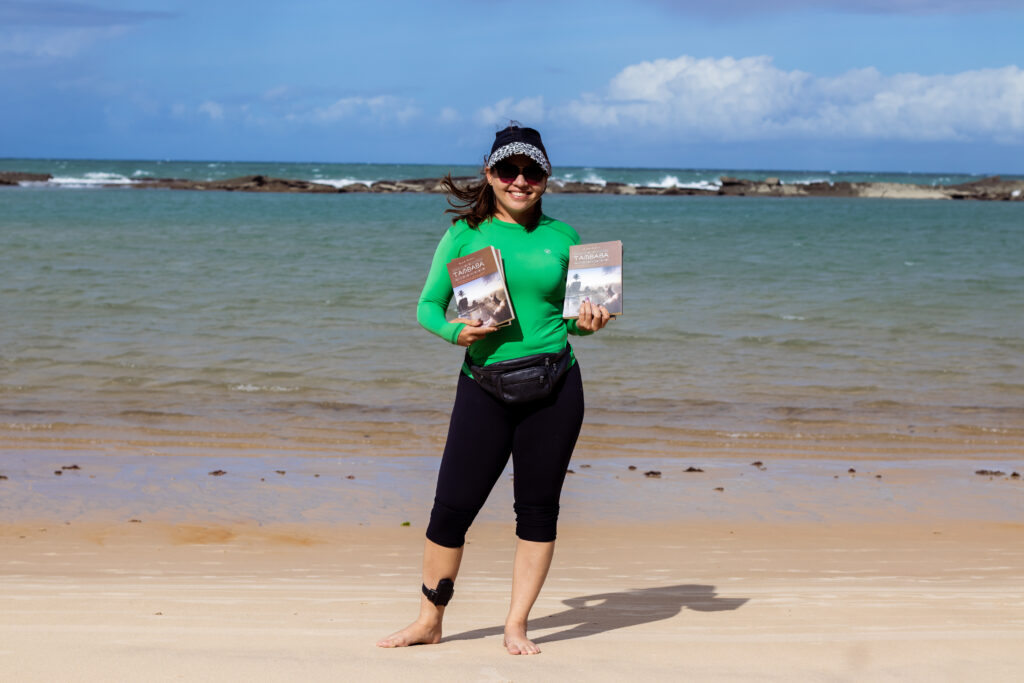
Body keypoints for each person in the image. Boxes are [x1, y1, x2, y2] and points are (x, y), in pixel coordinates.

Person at [376, 124, 611, 655]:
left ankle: (516, 625)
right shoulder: (466, 233)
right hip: (483, 384)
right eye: (509, 170)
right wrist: (457, 332)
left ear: (546, 178)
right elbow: (427, 308)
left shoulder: (565, 238)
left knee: (537, 510)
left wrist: (590, 323)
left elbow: (571, 321)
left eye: (531, 171)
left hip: (556, 384)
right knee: (451, 509)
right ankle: (428, 619)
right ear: (490, 174)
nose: (520, 180)